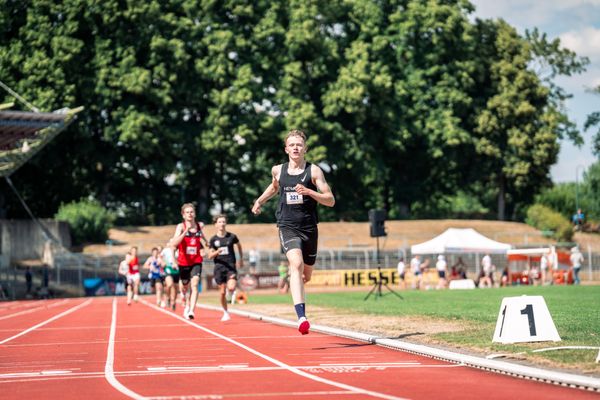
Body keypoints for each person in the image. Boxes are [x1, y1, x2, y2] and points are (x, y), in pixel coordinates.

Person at [251, 129, 335, 335]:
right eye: (292, 144)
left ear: (305, 148)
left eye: (299, 144)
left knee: (306, 274)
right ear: (286, 149)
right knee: (295, 264)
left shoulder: (314, 171)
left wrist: (309, 192)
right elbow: (274, 188)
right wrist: (259, 201)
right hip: (286, 225)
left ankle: (297, 284)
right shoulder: (278, 170)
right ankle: (302, 317)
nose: (296, 148)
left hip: (309, 228)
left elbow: (330, 200)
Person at [171, 203, 208, 320]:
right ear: (183, 215)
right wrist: (185, 231)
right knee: (185, 286)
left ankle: (191, 310)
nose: (190, 214)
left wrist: (206, 246)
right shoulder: (180, 226)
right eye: (187, 212)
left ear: (195, 213)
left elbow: (203, 238)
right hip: (183, 262)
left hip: (196, 261)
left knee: (195, 284)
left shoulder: (199, 226)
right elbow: (174, 243)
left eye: (192, 212)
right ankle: (186, 301)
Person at [208, 214, 243, 322]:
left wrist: (241, 258)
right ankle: (225, 312)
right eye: (219, 222)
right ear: (215, 224)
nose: (222, 224)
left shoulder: (232, 236)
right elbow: (209, 256)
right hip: (219, 267)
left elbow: (239, 246)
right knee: (222, 292)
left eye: (223, 221)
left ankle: (231, 291)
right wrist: (217, 252)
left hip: (231, 266)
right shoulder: (213, 240)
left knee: (231, 287)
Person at [161, 243, 179, 311]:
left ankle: (173, 301)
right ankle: (168, 297)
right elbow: (160, 257)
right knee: (169, 285)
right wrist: (163, 262)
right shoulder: (166, 250)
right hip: (168, 268)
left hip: (177, 270)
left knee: (176, 288)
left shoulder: (178, 250)